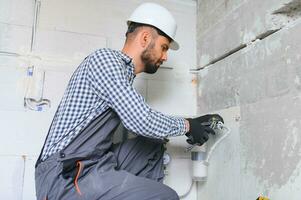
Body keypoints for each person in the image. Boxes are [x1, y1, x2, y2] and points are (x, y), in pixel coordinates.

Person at [35, 2, 223, 200]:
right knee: (166, 197)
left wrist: (192, 124)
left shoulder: (123, 76)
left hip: (93, 163)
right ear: (145, 38)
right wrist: (187, 125)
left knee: (151, 146)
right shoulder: (105, 60)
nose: (165, 57)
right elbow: (141, 120)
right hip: (66, 174)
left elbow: (143, 121)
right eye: (164, 47)